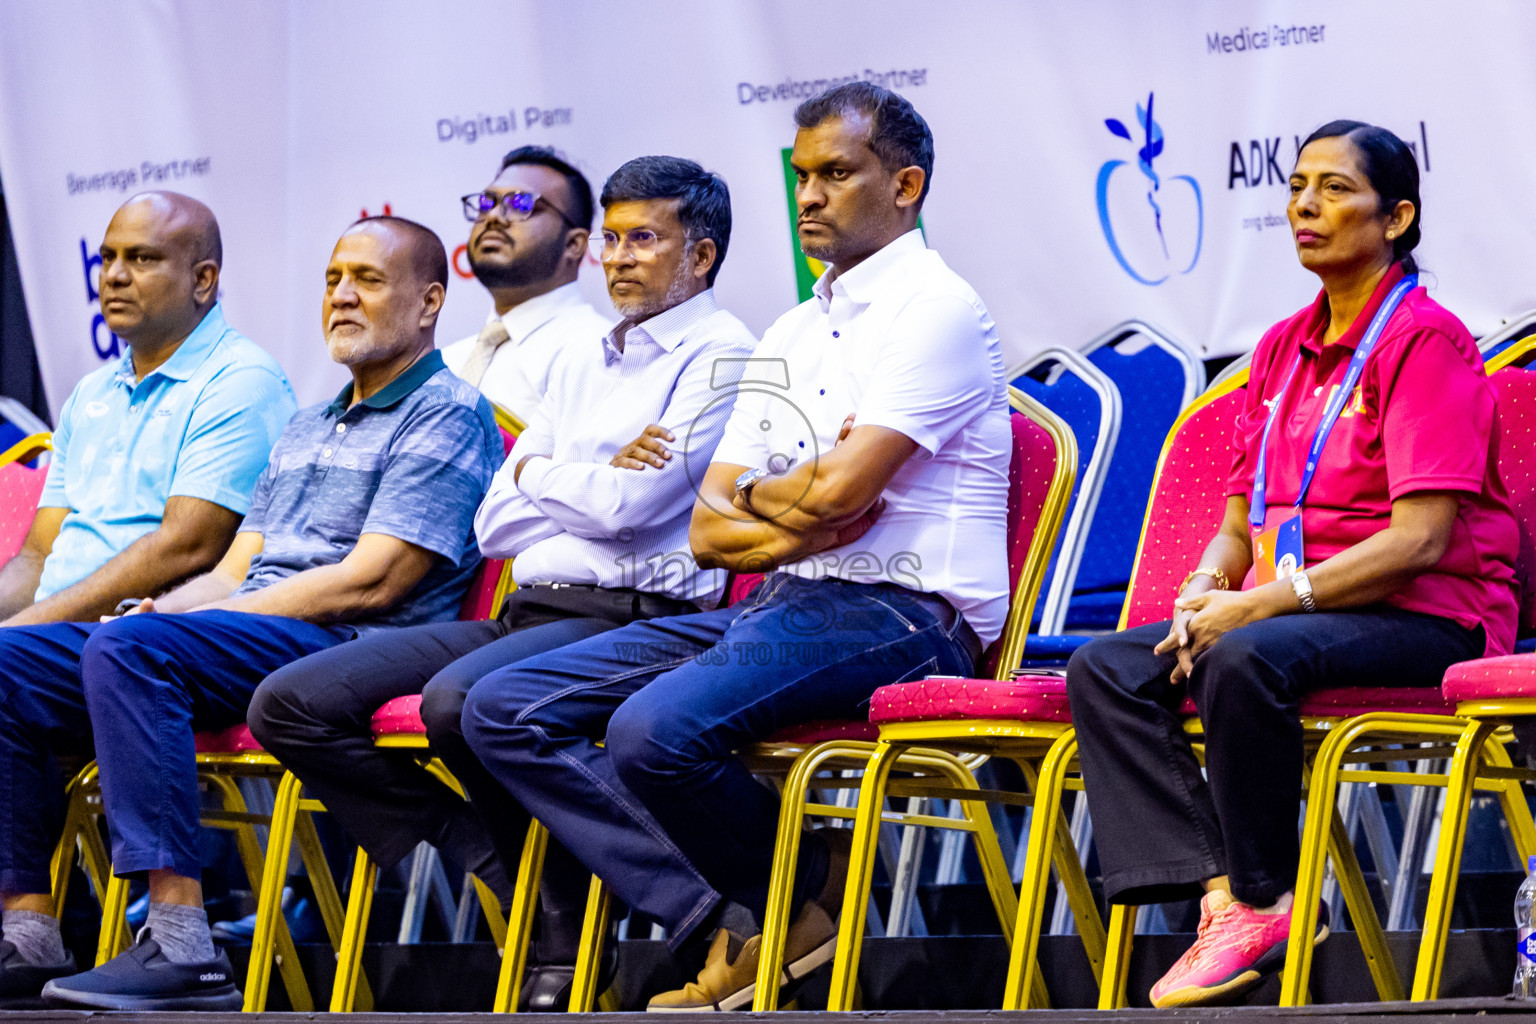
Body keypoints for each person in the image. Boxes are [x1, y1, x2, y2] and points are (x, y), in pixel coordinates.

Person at [460, 82, 1010, 1012]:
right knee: (503, 706)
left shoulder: (937, 309)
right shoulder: (794, 329)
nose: (808, 196)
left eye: (836, 173)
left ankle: (783, 903)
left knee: (651, 730)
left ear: (906, 185)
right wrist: (799, 505)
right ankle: (773, 900)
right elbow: (715, 533)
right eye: (800, 176)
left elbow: (842, 491)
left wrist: (792, 498)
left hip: (905, 609)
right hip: (782, 599)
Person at [247, 156, 756, 1010]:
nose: (622, 258)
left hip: (635, 613)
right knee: (289, 704)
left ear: (699, 257)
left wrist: (550, 473)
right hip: (528, 608)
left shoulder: (726, 351)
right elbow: (494, 523)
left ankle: (651, 916)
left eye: (645, 240)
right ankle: (509, 860)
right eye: (617, 241)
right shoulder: (584, 357)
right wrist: (581, 474)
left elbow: (635, 507)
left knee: (460, 704)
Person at [1065, 121, 1519, 1009]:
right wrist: (1206, 583)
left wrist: (1265, 605)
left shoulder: (1425, 341)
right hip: (1303, 611)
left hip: (1428, 614)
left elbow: (1422, 540)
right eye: (1298, 185)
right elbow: (1240, 519)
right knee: (1109, 668)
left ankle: (1267, 894)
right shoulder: (1276, 349)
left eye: (1336, 188)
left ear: (1397, 218)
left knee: (1244, 656)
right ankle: (1227, 898)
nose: (1306, 205)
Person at [0, 216, 501, 1011]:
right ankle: (27, 932)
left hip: (348, 644)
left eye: (367, 281)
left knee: (135, 651)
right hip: (256, 630)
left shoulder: (446, 411)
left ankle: (180, 944)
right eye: (333, 279)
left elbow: (374, 579)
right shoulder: (309, 421)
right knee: (13, 663)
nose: (341, 296)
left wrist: (181, 626)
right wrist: (157, 610)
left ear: (431, 301)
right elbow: (234, 565)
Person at [0, 191, 294, 626]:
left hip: (133, 635)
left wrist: (20, 632)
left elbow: (183, 549)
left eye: (141, 259)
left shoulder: (241, 380)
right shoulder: (90, 392)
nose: (113, 276)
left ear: (203, 280)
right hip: (42, 635)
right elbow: (38, 556)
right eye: (107, 258)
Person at [441, 145, 613, 420]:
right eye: (487, 203)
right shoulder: (447, 363)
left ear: (574, 244)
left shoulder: (597, 351)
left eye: (521, 204)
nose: (494, 217)